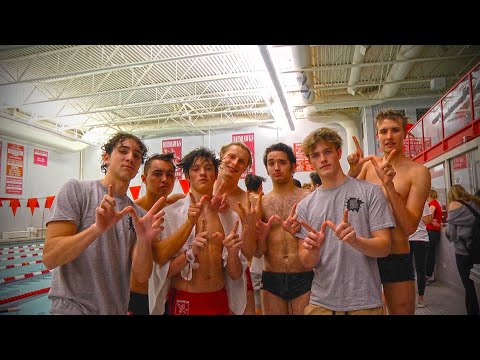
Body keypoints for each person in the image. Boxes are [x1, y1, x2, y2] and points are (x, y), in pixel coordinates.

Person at [43, 132, 166, 315]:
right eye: (123, 151)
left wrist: (143, 240)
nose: (130, 157)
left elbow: (141, 276)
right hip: (72, 309)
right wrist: (96, 229)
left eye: (137, 155)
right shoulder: (77, 191)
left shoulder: (138, 215)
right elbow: (50, 257)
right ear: (106, 157)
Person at [288, 128, 393, 315]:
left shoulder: (370, 192)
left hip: (364, 302)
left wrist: (356, 240)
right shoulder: (305, 206)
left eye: (327, 151)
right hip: (321, 302)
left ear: (338, 153)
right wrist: (313, 250)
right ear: (311, 161)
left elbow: (384, 247)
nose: (323, 159)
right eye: (315, 155)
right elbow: (306, 261)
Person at [348, 109, 431, 315]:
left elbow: (409, 227)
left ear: (405, 133)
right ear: (377, 136)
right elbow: (347, 205)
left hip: (397, 254)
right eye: (383, 131)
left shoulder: (418, 172)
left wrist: (389, 186)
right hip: (366, 255)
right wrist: (352, 172)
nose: (389, 136)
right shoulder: (367, 166)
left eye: (395, 130)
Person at [150, 147, 247, 315]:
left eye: (208, 168)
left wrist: (232, 253)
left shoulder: (229, 218)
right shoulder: (171, 215)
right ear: (187, 176)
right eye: (196, 169)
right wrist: (189, 253)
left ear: (216, 175)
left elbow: (236, 274)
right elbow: (162, 271)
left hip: (218, 298)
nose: (203, 173)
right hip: (185, 299)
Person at [255, 143, 312, 315]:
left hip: (304, 275)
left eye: (282, 162)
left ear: (293, 167)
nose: (276, 167)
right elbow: (258, 252)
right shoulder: (261, 203)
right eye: (271, 163)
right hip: (272, 276)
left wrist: (301, 233)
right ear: (266, 168)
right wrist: (261, 237)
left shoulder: (308, 198)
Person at [213, 142, 261, 315]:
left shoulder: (249, 201)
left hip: (238, 275)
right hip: (205, 274)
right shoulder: (200, 191)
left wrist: (248, 227)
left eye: (241, 162)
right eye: (231, 157)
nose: (235, 163)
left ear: (246, 168)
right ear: (221, 157)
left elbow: (249, 253)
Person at [128, 153, 177, 315]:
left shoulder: (177, 205)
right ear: (144, 178)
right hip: (139, 296)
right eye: (157, 174)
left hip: (168, 294)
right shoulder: (132, 212)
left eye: (170, 174)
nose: (164, 179)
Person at [445, 184, 480, 315]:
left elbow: (451, 234)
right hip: (478, 248)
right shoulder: (475, 203)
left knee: (468, 286)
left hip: (463, 252)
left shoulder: (454, 206)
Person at [245, 173, 266, 314]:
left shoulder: (241, 200)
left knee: (251, 295)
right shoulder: (263, 201)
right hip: (261, 256)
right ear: (260, 186)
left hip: (245, 257)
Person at [409, 202, 432, 308]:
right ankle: (420, 299)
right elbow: (428, 220)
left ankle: (408, 298)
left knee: (407, 271)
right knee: (420, 270)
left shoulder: (402, 200)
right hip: (421, 238)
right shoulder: (423, 202)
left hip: (406, 239)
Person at [426, 189, 442, 284]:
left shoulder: (432, 203)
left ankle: (429, 275)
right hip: (433, 231)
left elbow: (429, 216)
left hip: (432, 231)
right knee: (430, 253)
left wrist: (431, 220)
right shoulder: (436, 203)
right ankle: (429, 274)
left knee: (429, 254)